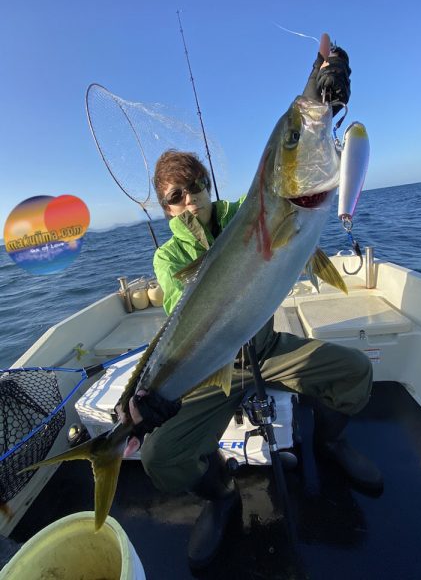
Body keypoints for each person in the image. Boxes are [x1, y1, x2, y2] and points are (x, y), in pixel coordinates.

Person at [120, 33, 383, 570]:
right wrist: (153, 393)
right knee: (160, 457)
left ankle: (331, 445)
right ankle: (219, 499)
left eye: (196, 186)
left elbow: (290, 162)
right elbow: (180, 308)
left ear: (212, 187)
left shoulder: (254, 207)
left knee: (356, 373)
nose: (189, 199)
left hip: (265, 346)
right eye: (175, 196)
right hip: (213, 364)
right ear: (166, 209)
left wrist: (323, 96)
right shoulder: (169, 261)